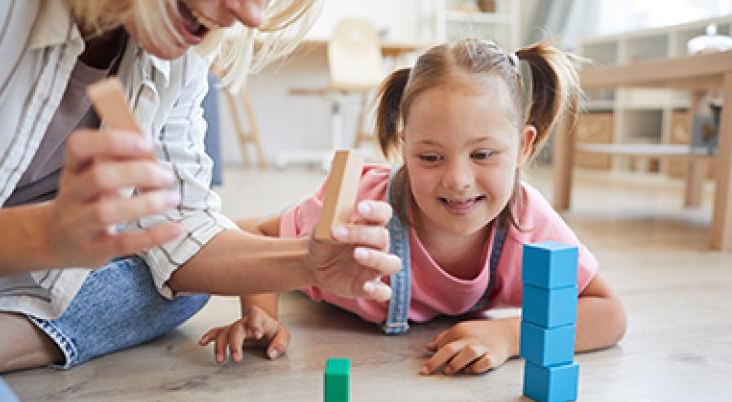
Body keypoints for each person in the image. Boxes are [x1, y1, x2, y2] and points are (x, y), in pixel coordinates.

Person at [0, 1, 400, 402]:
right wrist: (39, 236)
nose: (250, 16)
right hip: (8, 258)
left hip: (10, 272)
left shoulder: (171, 58)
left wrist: (309, 261)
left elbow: (184, 232)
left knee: (176, 286)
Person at [200, 38, 627, 375]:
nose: (457, 180)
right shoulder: (358, 211)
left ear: (523, 147)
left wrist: (510, 337)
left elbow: (609, 315)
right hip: (322, 292)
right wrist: (260, 314)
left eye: (482, 155)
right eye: (430, 157)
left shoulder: (528, 220)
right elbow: (253, 234)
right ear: (405, 150)